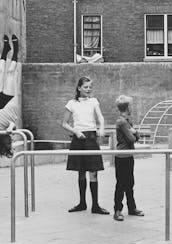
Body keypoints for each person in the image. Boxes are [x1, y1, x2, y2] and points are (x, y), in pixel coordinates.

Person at [61, 76, 109, 214]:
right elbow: (64, 123)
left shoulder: (94, 101)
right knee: (81, 172)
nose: (88, 89)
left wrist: (101, 128)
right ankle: (82, 203)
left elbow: (100, 117)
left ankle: (95, 205)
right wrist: (75, 131)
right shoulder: (72, 103)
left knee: (93, 172)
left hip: (91, 138)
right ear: (79, 88)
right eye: (86, 87)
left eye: (90, 87)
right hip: (78, 139)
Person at [113, 95, 144, 221]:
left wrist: (135, 133)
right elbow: (132, 138)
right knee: (121, 184)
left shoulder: (127, 121)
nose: (132, 107)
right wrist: (134, 133)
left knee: (130, 183)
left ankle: (132, 208)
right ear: (126, 107)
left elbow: (137, 137)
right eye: (130, 105)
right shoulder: (122, 122)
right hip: (122, 156)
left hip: (128, 155)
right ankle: (117, 210)